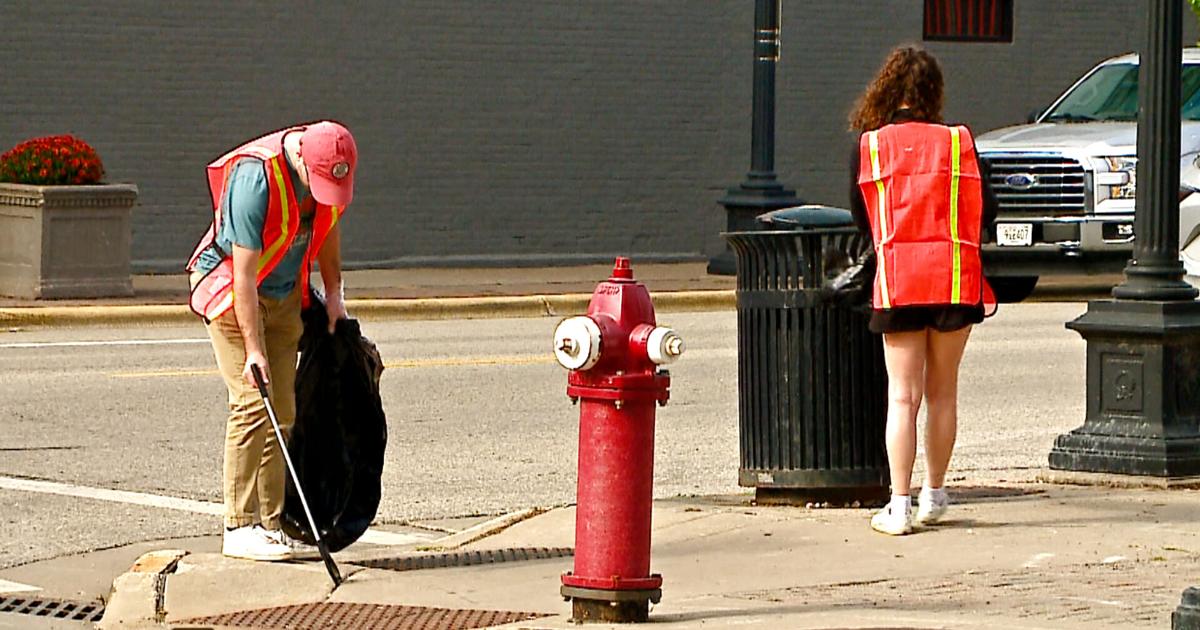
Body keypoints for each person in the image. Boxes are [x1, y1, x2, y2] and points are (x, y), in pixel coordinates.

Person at [185, 121, 357, 560]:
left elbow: (327, 234)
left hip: (283, 298)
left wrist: (335, 298)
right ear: (301, 159)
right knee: (250, 400)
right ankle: (238, 526)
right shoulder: (254, 178)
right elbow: (242, 275)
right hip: (232, 293)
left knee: (282, 410)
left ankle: (270, 522)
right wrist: (254, 349)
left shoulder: (331, 169)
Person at [847, 46, 997, 536]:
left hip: (899, 280)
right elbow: (986, 211)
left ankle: (899, 505)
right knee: (943, 393)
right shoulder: (959, 143)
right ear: (934, 92)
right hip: (955, 279)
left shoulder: (870, 146)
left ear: (887, 91)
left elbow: (860, 217)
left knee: (903, 398)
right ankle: (935, 494)